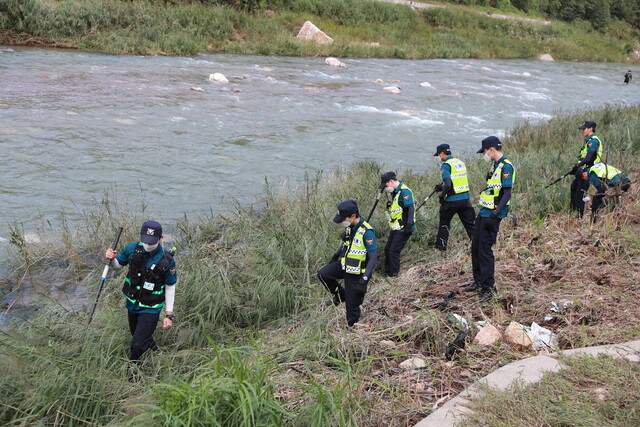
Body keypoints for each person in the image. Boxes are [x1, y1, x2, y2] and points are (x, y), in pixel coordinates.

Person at [105, 220, 177, 362]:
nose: (148, 245)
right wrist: (111, 258)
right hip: (132, 304)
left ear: (160, 238)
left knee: (137, 344)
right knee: (137, 335)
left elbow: (170, 287)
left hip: (151, 308)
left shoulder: (167, 261)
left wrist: (169, 315)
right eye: (145, 241)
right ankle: (157, 352)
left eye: (152, 242)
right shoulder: (132, 249)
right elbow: (117, 265)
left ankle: (133, 373)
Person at [467, 136, 515, 301]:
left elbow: (507, 193)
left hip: (492, 215)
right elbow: (495, 189)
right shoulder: (496, 165)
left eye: (485, 151)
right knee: (476, 248)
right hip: (484, 212)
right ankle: (478, 282)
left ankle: (488, 288)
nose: (484, 155)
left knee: (485, 250)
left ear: (491, 149)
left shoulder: (506, 167)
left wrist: (495, 214)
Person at [317, 200, 377, 327]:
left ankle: (353, 327)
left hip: (356, 273)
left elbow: (373, 257)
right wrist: (336, 255)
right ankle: (341, 294)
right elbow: (347, 245)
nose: (341, 222)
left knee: (352, 308)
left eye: (343, 218)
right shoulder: (350, 227)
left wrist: (365, 279)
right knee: (323, 274)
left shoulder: (367, 232)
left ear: (353, 216)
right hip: (345, 265)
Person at [433, 144, 475, 251]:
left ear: (442, 153)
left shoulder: (446, 165)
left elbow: (448, 185)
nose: (439, 157)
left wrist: (442, 196)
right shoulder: (460, 163)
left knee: (444, 224)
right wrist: (441, 188)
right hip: (465, 200)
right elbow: (457, 183)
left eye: (438, 155)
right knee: (470, 225)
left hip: (452, 201)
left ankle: (441, 248)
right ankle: (477, 245)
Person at [380, 171, 415, 276]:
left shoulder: (404, 192)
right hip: (396, 227)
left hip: (404, 227)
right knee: (387, 249)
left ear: (391, 181)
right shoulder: (395, 192)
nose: (385, 188)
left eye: (385, 185)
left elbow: (410, 208)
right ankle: (387, 272)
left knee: (393, 251)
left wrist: (409, 225)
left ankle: (394, 274)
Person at [570, 121, 603, 217]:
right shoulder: (588, 141)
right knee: (573, 189)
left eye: (584, 129)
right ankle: (573, 213)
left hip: (587, 172)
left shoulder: (594, 141)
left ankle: (579, 217)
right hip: (582, 170)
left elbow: (588, 158)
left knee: (580, 194)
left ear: (590, 129)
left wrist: (577, 166)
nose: (583, 131)